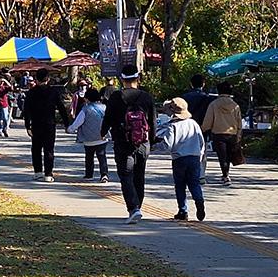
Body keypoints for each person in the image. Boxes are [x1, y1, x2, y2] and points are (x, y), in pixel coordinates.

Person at [101, 64, 156, 224]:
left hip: (123, 142)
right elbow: (152, 120)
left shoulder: (116, 97)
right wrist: (151, 141)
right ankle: (138, 205)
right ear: (138, 78)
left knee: (126, 175)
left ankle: (133, 208)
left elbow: (108, 118)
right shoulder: (146, 97)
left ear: (121, 79)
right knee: (139, 176)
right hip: (143, 142)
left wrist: (102, 131)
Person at [154, 97, 206, 222]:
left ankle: (183, 210)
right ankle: (199, 201)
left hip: (179, 159)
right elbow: (201, 142)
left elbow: (167, 145)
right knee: (194, 183)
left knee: (180, 185)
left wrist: (154, 147)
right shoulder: (193, 124)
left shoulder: (173, 126)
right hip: (194, 157)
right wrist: (200, 155)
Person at [23, 68, 71, 182]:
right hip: (50, 124)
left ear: (36, 79)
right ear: (48, 79)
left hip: (36, 124)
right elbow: (61, 108)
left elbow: (27, 110)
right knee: (49, 149)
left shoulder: (31, 92)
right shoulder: (53, 92)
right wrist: (66, 123)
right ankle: (48, 174)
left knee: (36, 148)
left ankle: (37, 172)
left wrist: (27, 125)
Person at [200, 82, 242, 185]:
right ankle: (226, 174)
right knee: (228, 155)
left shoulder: (214, 104)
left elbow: (208, 121)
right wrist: (239, 134)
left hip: (218, 133)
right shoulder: (235, 105)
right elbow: (239, 122)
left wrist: (202, 129)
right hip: (232, 133)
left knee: (222, 156)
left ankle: (225, 175)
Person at [67, 87, 109, 181]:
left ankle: (89, 175)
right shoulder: (104, 107)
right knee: (102, 157)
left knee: (89, 157)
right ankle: (104, 174)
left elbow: (78, 122)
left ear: (87, 98)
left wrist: (70, 129)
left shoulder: (85, 109)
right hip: (102, 137)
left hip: (88, 139)